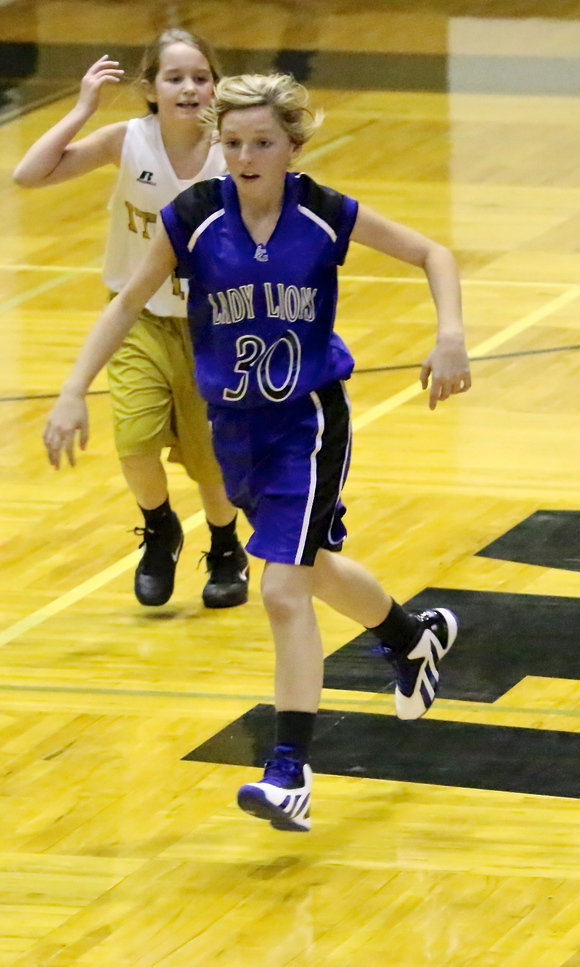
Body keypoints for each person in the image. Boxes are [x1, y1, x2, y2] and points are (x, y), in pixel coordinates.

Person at [43, 73, 472, 833]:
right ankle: (412, 637)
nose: (244, 156)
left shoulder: (322, 211)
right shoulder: (195, 217)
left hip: (307, 424)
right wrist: (76, 386)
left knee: (281, 589)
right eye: (232, 142)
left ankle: (290, 770)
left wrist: (449, 335)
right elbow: (127, 301)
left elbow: (434, 253)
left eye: (262, 142)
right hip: (233, 429)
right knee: (312, 566)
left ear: (293, 146)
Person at [14, 30, 249, 609]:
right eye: (175, 78)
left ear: (216, 87)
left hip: (212, 326)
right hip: (136, 315)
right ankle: (160, 527)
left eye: (201, 77)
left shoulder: (234, 149)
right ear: (149, 89)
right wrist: (81, 109)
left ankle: (225, 545)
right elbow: (28, 174)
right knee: (135, 441)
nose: (190, 88)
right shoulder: (128, 139)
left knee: (208, 461)